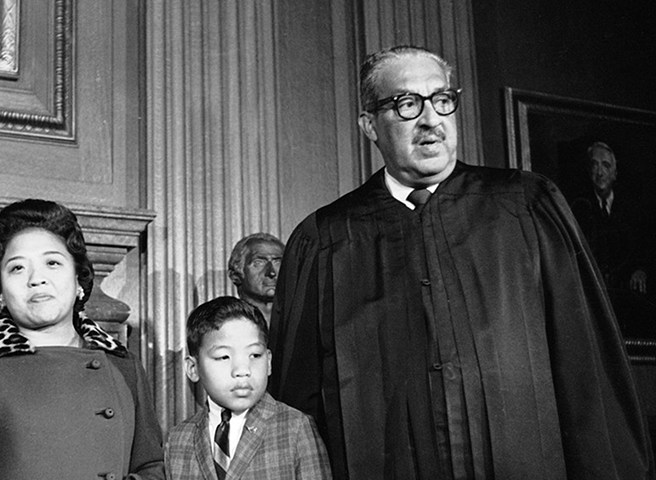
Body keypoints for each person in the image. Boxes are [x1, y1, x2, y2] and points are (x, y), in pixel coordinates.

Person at [268, 45, 654, 479]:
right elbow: (295, 413)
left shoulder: (526, 207)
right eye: (407, 104)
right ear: (369, 125)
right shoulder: (325, 240)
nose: (431, 120)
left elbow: (587, 372)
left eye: (442, 100)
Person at [0, 199, 165, 480]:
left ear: (78, 282)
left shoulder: (123, 365)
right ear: (0, 290)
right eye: (17, 268)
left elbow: (151, 466)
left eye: (52, 262)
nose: (37, 279)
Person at [165, 296, 331, 479]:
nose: (242, 370)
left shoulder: (295, 428)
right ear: (193, 369)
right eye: (223, 357)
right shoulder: (178, 439)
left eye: (255, 355)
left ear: (268, 362)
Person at [570, 142, 654, 335]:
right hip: (593, 288)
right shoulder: (579, 207)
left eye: (606, 166)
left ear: (614, 173)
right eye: (595, 165)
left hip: (624, 287)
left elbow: (642, 247)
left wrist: (640, 269)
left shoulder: (630, 210)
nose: (600, 172)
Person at [227, 233, 284, 325]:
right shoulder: (226, 323)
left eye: (278, 262)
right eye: (258, 262)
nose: (271, 273)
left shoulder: (301, 321)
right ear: (235, 275)